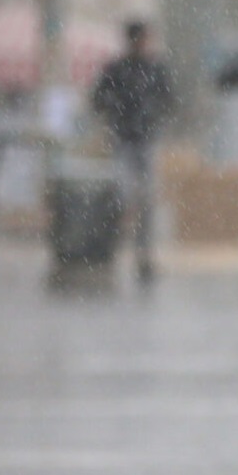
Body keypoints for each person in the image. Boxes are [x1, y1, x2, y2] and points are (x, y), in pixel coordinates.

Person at [90, 20, 175, 284]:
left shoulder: (154, 69)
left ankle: (144, 254)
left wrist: (151, 111)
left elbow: (170, 99)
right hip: (124, 142)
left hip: (145, 141)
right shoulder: (117, 69)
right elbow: (97, 99)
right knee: (122, 197)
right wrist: (116, 107)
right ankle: (113, 248)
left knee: (146, 200)